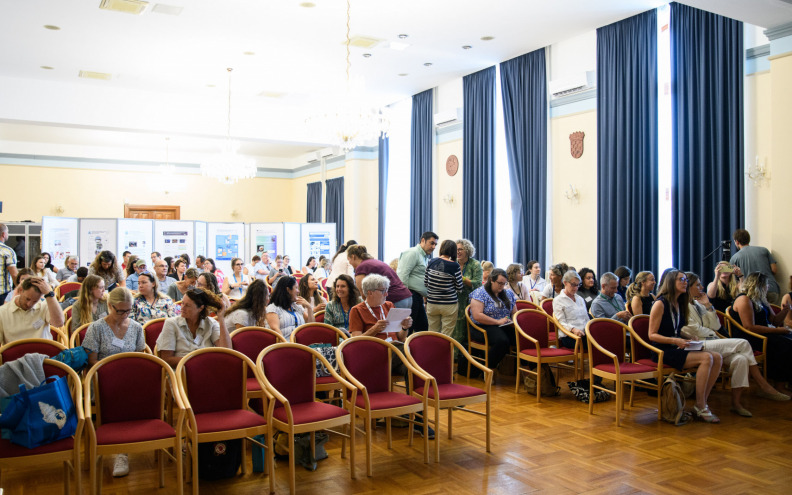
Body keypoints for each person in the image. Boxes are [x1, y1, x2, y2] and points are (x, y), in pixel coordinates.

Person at [683, 272, 788, 416]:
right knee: (744, 343)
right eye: (698, 285)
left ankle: (736, 404)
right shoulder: (681, 305)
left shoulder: (698, 304)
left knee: (741, 359)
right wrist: (710, 331)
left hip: (711, 340)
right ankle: (763, 385)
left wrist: (708, 306)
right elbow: (690, 328)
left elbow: (716, 324)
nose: (701, 287)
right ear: (688, 287)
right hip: (697, 344)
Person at [81, 286, 145, 478]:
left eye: (128, 310)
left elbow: (140, 358)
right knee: (121, 396)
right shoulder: (96, 328)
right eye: (120, 310)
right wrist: (115, 371)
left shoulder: (136, 328)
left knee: (135, 392)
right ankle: (120, 450)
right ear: (109, 306)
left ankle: (123, 448)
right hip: (102, 379)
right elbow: (91, 361)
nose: (125, 315)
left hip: (129, 380)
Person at [648, 270, 723, 423]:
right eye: (681, 279)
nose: (685, 282)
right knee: (707, 358)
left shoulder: (680, 303)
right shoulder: (660, 304)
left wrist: (689, 337)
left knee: (717, 357)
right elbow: (652, 335)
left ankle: (702, 402)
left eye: (685, 280)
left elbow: (677, 330)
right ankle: (701, 406)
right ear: (671, 282)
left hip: (677, 346)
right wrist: (675, 341)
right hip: (663, 350)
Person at [732, 272, 792, 391]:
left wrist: (786, 310)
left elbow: (774, 321)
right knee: (785, 345)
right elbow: (749, 327)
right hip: (750, 338)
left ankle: (789, 382)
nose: (768, 287)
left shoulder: (761, 299)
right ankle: (779, 384)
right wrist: (777, 331)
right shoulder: (744, 299)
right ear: (758, 285)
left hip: (763, 333)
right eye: (766, 284)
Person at [157, 288, 231, 368]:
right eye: (182, 303)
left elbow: (227, 352)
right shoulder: (171, 324)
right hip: (181, 373)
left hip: (206, 370)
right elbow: (166, 359)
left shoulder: (211, 323)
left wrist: (221, 319)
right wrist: (197, 361)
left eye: (187, 305)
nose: (182, 308)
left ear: (200, 308)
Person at [468, 268, 517, 371]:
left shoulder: (508, 293)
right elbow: (477, 316)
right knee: (502, 341)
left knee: (520, 338)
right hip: (482, 326)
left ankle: (528, 371)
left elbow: (514, 312)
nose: (502, 286)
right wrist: (497, 321)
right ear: (491, 280)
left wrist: (512, 321)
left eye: (504, 283)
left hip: (503, 325)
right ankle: (489, 369)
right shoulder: (480, 293)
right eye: (499, 283)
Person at [0, 277, 65, 344]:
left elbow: (59, 323)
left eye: (35, 301)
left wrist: (49, 294)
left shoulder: (44, 305)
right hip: (15, 353)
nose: (29, 304)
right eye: (27, 299)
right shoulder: (2, 312)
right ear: (20, 290)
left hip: (42, 352)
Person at [346, 244, 413, 309]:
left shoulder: (361, 267)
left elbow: (363, 292)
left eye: (348, 259)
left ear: (353, 257)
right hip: (407, 297)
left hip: (394, 299)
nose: (349, 262)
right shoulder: (375, 262)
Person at [349, 274, 413, 341]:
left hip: (394, 346)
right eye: (382, 291)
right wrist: (374, 329)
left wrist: (404, 327)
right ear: (370, 293)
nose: (386, 294)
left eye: (386, 290)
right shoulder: (357, 310)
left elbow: (401, 338)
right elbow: (356, 341)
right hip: (375, 348)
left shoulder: (389, 305)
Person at [397, 231, 438, 333]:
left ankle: (420, 349)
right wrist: (406, 298)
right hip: (410, 296)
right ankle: (404, 349)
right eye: (431, 243)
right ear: (423, 240)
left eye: (435, 244)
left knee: (423, 327)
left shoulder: (423, 256)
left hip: (417, 297)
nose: (433, 247)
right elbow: (402, 275)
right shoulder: (412, 253)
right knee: (408, 329)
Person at [730, 229, 780, 304]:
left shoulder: (734, 258)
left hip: (752, 293)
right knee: (772, 314)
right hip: (771, 289)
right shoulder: (764, 250)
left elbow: (732, 280)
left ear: (737, 242)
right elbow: (774, 270)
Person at [424, 240, 463, 337]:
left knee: (432, 333)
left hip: (432, 303)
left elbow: (426, 283)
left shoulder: (431, 261)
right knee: (446, 336)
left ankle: (432, 352)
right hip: (449, 304)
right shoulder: (454, 265)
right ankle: (443, 352)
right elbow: (459, 288)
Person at [453, 239, 483, 350]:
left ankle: (465, 356)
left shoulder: (475, 264)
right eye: (456, 250)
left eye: (460, 249)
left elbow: (478, 284)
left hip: (470, 301)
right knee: (454, 329)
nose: (458, 252)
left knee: (466, 329)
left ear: (467, 250)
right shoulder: (453, 263)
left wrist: (463, 279)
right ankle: (454, 355)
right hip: (454, 300)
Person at [265, 276, 314, 340]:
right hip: (287, 345)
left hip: (303, 344)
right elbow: (276, 331)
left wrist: (309, 308)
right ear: (288, 290)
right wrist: (289, 347)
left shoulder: (297, 306)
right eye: (296, 288)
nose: (298, 291)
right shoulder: (273, 308)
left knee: (328, 346)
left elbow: (311, 325)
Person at [553, 270, 591, 349]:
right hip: (569, 336)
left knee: (603, 339)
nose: (576, 288)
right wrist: (573, 329)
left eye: (578, 285)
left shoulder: (580, 299)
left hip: (584, 333)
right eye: (573, 285)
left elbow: (586, 318)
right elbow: (561, 322)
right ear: (565, 283)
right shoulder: (558, 300)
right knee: (597, 344)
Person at [0, 223, 19, 306]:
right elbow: (14, 275)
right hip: (2, 294)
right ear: (3, 234)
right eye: (8, 232)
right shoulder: (7, 251)